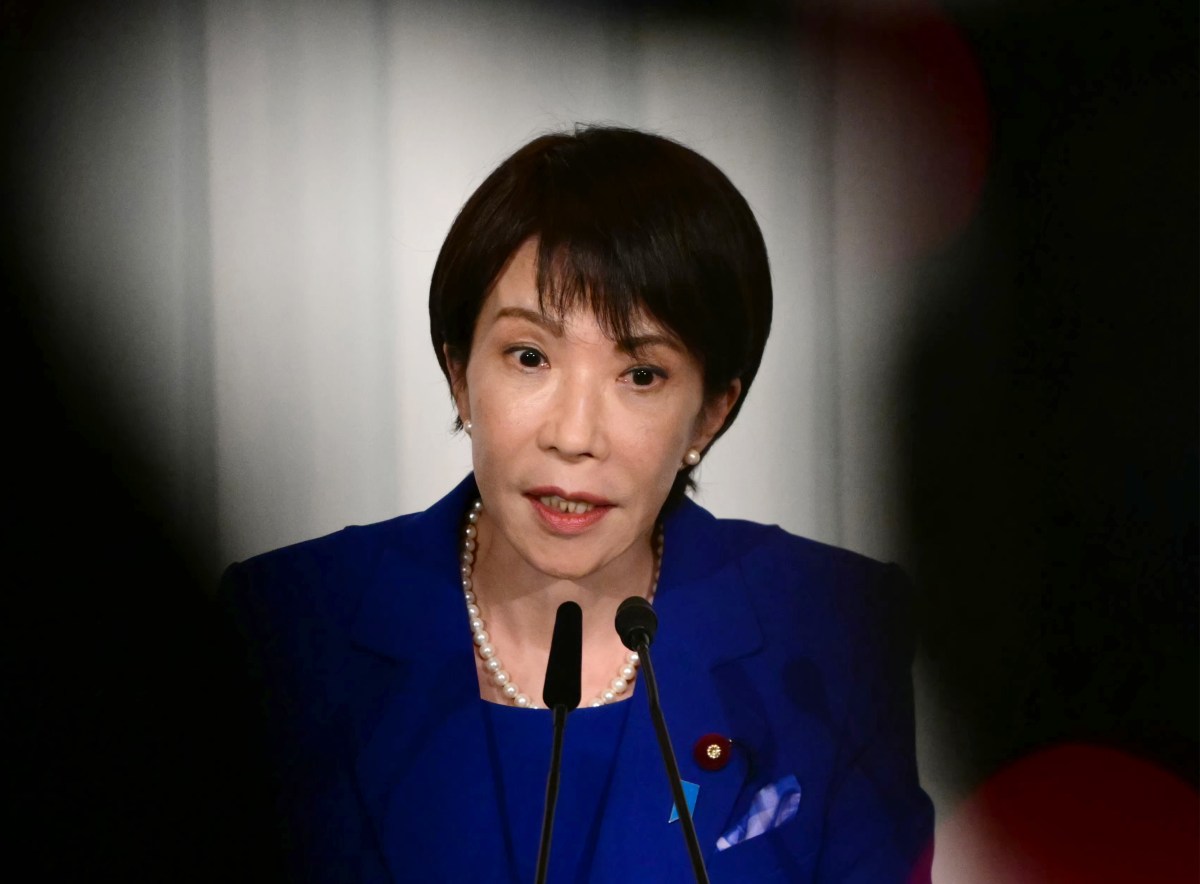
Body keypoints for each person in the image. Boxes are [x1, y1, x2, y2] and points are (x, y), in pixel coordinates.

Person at [223, 125, 934, 883]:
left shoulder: (830, 633)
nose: (573, 435)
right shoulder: (288, 626)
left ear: (711, 413)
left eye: (641, 374)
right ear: (460, 373)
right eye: (529, 357)